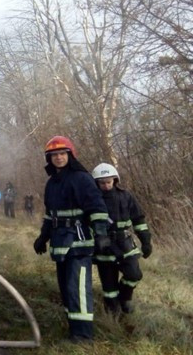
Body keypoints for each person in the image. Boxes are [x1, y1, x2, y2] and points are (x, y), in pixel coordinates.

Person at [33, 136, 110, 343]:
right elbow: (51, 214)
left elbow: (97, 208)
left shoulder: (82, 178)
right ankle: (73, 327)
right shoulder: (52, 183)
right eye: (54, 155)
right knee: (66, 288)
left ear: (70, 155)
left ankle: (83, 335)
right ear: (49, 158)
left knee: (78, 289)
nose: (58, 158)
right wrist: (43, 236)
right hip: (60, 243)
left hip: (79, 242)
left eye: (62, 154)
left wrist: (101, 233)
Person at [91, 163, 152, 314]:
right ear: (96, 183)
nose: (106, 185)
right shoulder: (91, 199)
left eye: (109, 182)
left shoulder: (126, 196)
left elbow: (138, 219)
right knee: (109, 289)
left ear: (115, 180)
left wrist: (146, 241)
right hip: (103, 247)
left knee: (134, 275)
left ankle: (125, 298)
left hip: (125, 244)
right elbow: (86, 223)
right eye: (102, 183)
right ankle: (113, 317)